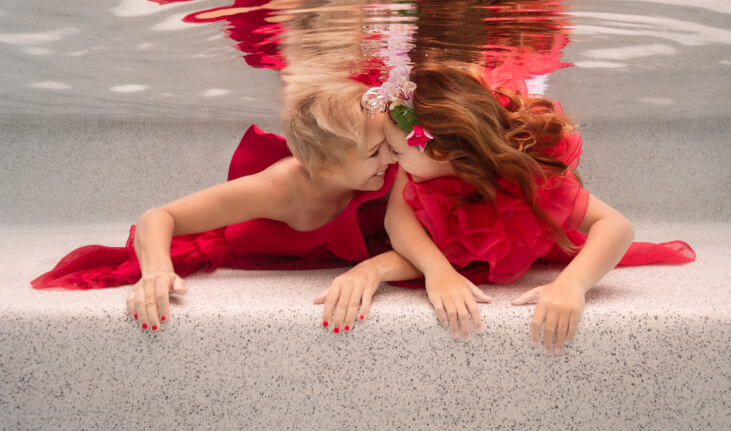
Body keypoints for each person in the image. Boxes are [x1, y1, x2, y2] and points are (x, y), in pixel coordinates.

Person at [31, 75, 423, 334]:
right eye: (376, 152)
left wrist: (372, 269)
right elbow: (158, 216)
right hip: (262, 246)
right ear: (325, 164)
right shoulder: (276, 187)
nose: (391, 158)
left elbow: (425, 242)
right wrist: (155, 272)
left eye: (388, 147)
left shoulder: (391, 167)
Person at [353, 63, 694, 354]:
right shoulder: (418, 163)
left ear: (441, 154)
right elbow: (397, 218)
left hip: (521, 224)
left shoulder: (524, 178)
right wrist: (437, 271)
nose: (388, 159)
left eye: (395, 151)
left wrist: (572, 285)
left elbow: (617, 226)